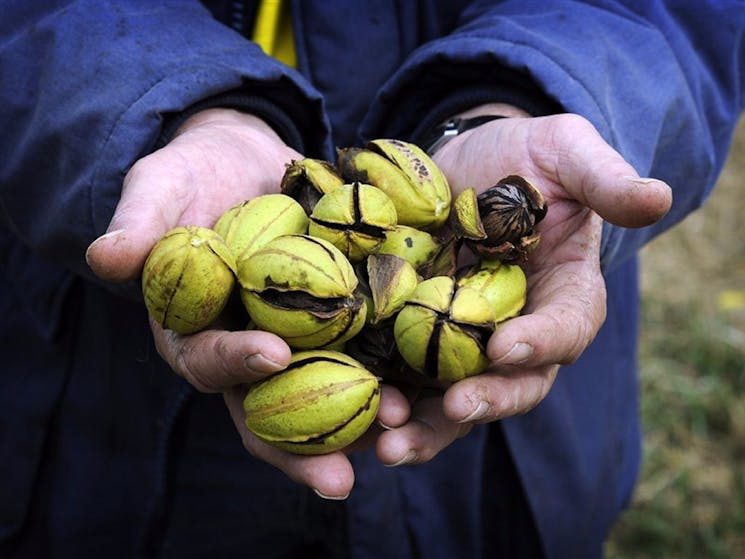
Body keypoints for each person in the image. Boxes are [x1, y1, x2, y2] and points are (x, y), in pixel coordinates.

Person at [1, 1, 742, 557]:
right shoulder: (328, 242)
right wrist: (171, 112)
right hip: (95, 420)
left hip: (505, 479)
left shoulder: (418, 241)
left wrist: (522, 96)